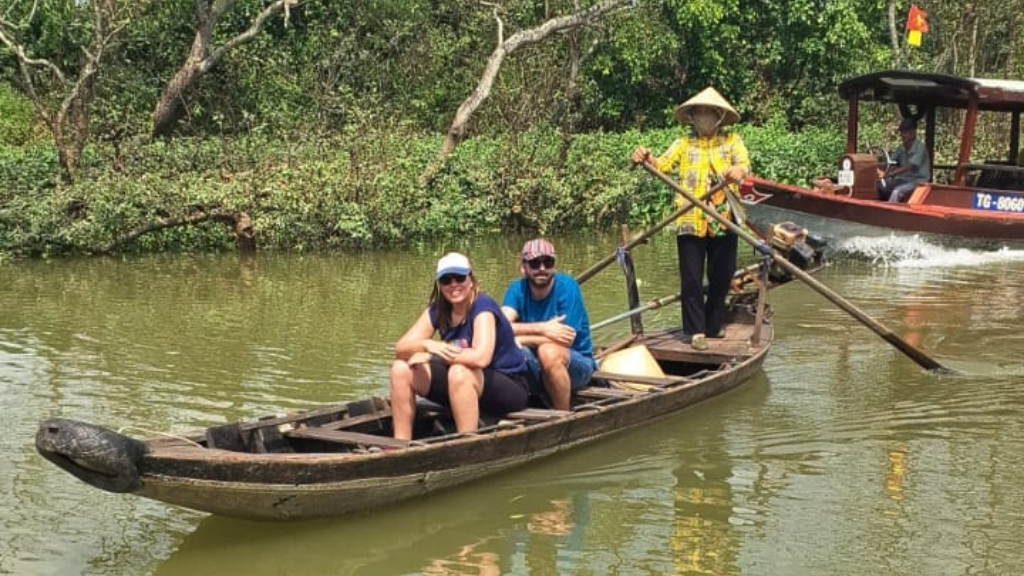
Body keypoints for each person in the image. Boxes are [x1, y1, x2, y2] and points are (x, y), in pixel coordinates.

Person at [629, 86, 750, 351]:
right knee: (692, 278)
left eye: (709, 113)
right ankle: (695, 332)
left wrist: (736, 171)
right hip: (690, 218)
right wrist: (645, 157)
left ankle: (713, 325)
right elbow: (661, 164)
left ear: (718, 117)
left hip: (724, 218)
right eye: (699, 113)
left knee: (722, 275)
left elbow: (744, 166)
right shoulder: (683, 144)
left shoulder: (731, 141)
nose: (704, 117)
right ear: (692, 117)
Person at [390, 252, 529, 440]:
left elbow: (481, 357)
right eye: (447, 280)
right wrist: (427, 344)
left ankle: (466, 442)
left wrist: (434, 357)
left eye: (460, 278)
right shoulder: (439, 310)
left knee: (459, 372)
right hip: (462, 386)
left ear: (470, 280)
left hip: (508, 386)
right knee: (400, 369)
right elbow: (401, 349)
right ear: (440, 285)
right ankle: (400, 444)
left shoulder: (483, 307)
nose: (454, 284)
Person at [501, 239, 596, 410]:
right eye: (535, 263)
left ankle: (562, 416)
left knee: (548, 351)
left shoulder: (568, 287)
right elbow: (499, 327)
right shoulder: (517, 289)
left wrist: (520, 338)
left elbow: (565, 339)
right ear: (523, 267)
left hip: (576, 364)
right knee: (506, 351)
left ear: (554, 266)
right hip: (535, 363)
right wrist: (544, 328)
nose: (542, 268)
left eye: (548, 262)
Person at [877, 117, 931, 203]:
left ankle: (889, 214)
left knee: (897, 192)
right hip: (902, 180)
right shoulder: (900, 148)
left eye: (905, 132)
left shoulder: (920, 148)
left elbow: (909, 166)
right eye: (901, 132)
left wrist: (890, 174)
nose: (902, 135)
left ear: (913, 132)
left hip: (918, 182)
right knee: (879, 186)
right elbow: (890, 162)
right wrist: (879, 169)